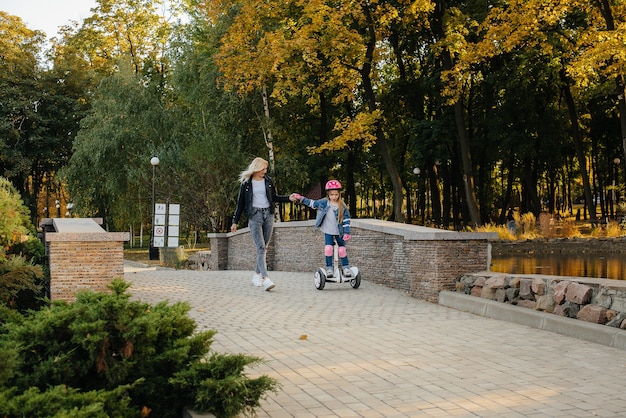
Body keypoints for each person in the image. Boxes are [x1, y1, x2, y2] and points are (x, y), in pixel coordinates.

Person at [231, 157, 291, 291]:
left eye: (265, 168)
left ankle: (256, 275)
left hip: (268, 215)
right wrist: (234, 221)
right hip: (255, 216)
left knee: (264, 247)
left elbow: (274, 197)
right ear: (256, 168)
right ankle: (265, 278)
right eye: (263, 168)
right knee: (261, 247)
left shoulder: (268, 181)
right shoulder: (246, 183)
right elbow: (240, 204)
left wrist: (289, 198)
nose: (265, 171)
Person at [292, 180, 352, 278]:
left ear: (339, 194)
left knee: (342, 250)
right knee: (328, 249)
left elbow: (346, 220)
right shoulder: (324, 202)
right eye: (332, 194)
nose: (334, 197)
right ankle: (329, 268)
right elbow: (312, 203)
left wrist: (347, 232)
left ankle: (346, 267)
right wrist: (301, 198)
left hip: (339, 232)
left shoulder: (343, 206)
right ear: (328, 194)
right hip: (328, 231)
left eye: (336, 194)